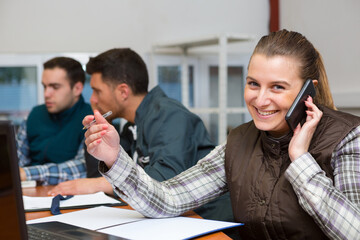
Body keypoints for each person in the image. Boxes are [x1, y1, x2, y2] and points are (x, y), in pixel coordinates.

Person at [84, 29, 360, 239]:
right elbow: (168, 200)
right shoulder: (239, 141)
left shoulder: (347, 136)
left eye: (277, 87)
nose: (260, 100)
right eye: (253, 84)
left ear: (307, 91)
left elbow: (354, 231)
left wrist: (300, 160)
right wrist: (114, 158)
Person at [49, 48, 234, 223]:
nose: (92, 99)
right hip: (166, 219)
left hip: (207, 223)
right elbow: (106, 172)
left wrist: (95, 185)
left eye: (97, 91)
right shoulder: (132, 125)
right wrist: (99, 128)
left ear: (123, 91)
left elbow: (162, 182)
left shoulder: (169, 115)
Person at [16, 57, 93, 185]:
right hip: (29, 193)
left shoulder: (91, 119)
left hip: (70, 195)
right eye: (45, 86)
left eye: (55, 87)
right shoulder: (34, 115)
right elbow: (16, 161)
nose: (46, 93)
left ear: (77, 89)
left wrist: (27, 174)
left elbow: (82, 168)